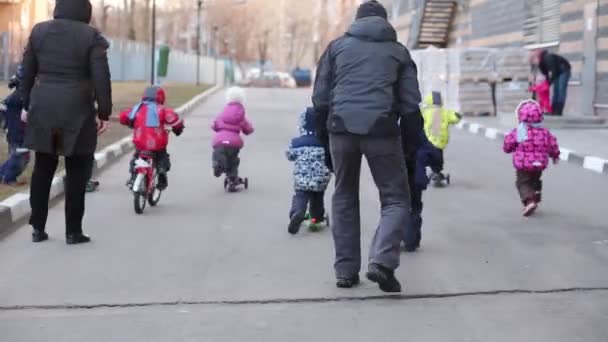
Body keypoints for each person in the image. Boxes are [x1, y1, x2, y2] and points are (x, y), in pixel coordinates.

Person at [312, 0, 421, 293]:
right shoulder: (398, 52)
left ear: (356, 22)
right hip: (382, 131)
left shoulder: (336, 48)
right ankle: (382, 262)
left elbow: (320, 98)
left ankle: (346, 271)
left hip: (340, 129)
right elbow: (411, 105)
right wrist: (412, 147)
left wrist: (323, 136)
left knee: (344, 194)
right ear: (386, 23)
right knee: (396, 199)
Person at [20, 0, 112, 244]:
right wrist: (104, 113)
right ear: (86, 11)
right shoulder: (91, 36)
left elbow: (26, 71)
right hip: (78, 109)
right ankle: (73, 231)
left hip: (43, 105)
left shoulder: (39, 31)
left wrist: (24, 104)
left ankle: (37, 228)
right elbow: (101, 76)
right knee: (77, 171)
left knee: (43, 167)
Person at [120, 86, 184, 190]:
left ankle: (133, 176)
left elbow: (124, 117)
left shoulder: (137, 108)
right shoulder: (162, 110)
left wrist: (131, 122)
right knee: (162, 156)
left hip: (140, 143)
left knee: (136, 159)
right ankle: (162, 171)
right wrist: (178, 129)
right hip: (157, 144)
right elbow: (175, 121)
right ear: (161, 97)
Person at [503, 100, 560, 217]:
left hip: (523, 164)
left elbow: (508, 144)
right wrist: (555, 156)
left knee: (522, 182)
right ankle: (537, 193)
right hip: (539, 163)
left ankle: (529, 201)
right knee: (535, 178)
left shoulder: (519, 131)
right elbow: (552, 145)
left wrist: (507, 149)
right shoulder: (545, 132)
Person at [286, 107, 332, 235]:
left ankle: (297, 212)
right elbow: (331, 157)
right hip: (320, 179)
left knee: (301, 195)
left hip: (302, 178)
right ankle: (316, 217)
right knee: (317, 197)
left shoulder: (296, 143)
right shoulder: (324, 142)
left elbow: (289, 155)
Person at [401, 111, 442, 252]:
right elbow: (435, 154)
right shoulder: (420, 137)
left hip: (395, 179)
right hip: (415, 180)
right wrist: (435, 166)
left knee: (393, 207)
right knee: (414, 209)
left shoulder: (393, 136)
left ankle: (393, 238)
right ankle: (411, 241)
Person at [211, 86, 254, 191]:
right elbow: (248, 129)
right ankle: (232, 179)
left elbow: (214, 125)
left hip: (220, 141)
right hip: (234, 143)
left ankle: (218, 164)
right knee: (233, 161)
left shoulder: (222, 113)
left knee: (218, 152)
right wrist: (249, 130)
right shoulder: (240, 116)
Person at [421, 91, 461, 184]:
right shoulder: (445, 112)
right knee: (438, 159)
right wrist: (458, 115)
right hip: (440, 142)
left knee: (429, 157)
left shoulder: (425, 112)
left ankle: (432, 172)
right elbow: (454, 118)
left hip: (429, 141)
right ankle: (436, 171)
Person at [0, 66, 30, 185]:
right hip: (17, 134)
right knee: (20, 157)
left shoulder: (19, 94)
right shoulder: (20, 96)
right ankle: (8, 179)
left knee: (19, 156)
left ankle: (3, 174)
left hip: (19, 133)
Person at [531, 49, 571, 116]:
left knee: (560, 90)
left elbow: (553, 71)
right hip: (557, 72)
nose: (534, 63)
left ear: (536, 58)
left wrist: (548, 83)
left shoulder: (548, 57)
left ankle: (558, 110)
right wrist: (545, 84)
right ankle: (554, 109)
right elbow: (546, 74)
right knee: (556, 90)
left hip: (563, 70)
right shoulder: (540, 64)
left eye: (534, 61)